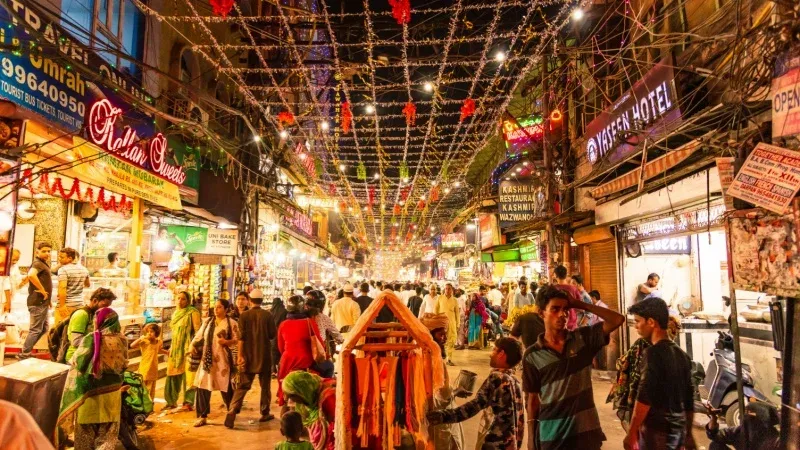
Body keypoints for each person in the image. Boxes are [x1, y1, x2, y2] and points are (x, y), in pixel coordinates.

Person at [523, 286, 625, 450]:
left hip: (585, 433)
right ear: (541, 313)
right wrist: (530, 438)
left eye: (566, 309)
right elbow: (532, 399)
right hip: (551, 435)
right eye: (555, 309)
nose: (562, 314)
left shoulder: (583, 339)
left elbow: (617, 320)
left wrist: (580, 303)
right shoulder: (532, 355)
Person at [427, 337, 525, 450]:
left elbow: (473, 407)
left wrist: (441, 416)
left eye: (494, 350)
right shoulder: (515, 382)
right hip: (511, 444)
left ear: (501, 353)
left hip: (496, 444)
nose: (490, 354)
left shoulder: (497, 378)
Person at [624, 297, 695, 450]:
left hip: (656, 435)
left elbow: (645, 396)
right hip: (678, 432)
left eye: (637, 321)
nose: (636, 326)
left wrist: (632, 431)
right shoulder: (682, 356)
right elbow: (689, 399)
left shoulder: (652, 354)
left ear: (651, 322)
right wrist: (688, 434)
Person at [58, 307, 128, 450]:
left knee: (85, 435)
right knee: (108, 435)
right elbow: (124, 365)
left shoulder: (91, 338)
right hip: (112, 396)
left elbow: (78, 362)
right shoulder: (122, 339)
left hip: (90, 396)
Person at [227, 289, 277, 427]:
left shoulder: (244, 316)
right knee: (265, 387)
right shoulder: (268, 315)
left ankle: (233, 409)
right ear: (262, 300)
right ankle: (264, 413)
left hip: (248, 356)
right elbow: (272, 335)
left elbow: (241, 339)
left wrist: (240, 356)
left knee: (242, 385)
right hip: (264, 356)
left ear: (250, 300)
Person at [420, 313, 464, 449]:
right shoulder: (431, 358)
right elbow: (442, 396)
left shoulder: (422, 353)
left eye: (445, 334)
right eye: (441, 335)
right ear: (430, 335)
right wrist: (455, 392)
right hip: (438, 415)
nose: (444, 339)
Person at [193, 299, 239, 427]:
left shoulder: (232, 323)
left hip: (224, 361)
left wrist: (227, 342)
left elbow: (237, 340)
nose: (216, 309)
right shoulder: (208, 322)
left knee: (227, 388)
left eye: (219, 307)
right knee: (203, 386)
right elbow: (199, 336)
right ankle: (202, 416)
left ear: (226, 309)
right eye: (215, 307)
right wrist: (192, 346)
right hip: (207, 360)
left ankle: (231, 413)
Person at [277, 295, 325, 407]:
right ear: (303, 307)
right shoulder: (309, 322)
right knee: (324, 375)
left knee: (282, 383)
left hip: (287, 361)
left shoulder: (283, 324)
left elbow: (280, 347)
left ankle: (283, 399)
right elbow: (320, 344)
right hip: (306, 360)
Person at [164, 291, 202, 411]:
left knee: (189, 376)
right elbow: (175, 333)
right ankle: (171, 401)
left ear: (188, 300)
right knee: (172, 374)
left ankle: (188, 402)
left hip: (188, 348)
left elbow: (198, 331)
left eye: (183, 299)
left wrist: (195, 346)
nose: (180, 301)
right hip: (175, 348)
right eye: (178, 298)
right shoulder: (176, 313)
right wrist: (171, 347)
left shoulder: (193, 312)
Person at [282, 371, 336, 450]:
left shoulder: (328, 399)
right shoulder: (313, 393)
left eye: (291, 396)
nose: (289, 400)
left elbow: (334, 431)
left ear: (301, 391)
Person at [18, 242, 53, 360]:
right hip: (37, 302)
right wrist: (42, 291)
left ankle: (26, 351)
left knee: (44, 328)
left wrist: (48, 299)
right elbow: (31, 275)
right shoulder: (38, 263)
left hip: (43, 302)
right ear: (37, 251)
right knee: (36, 329)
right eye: (44, 251)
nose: (47, 253)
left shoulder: (42, 264)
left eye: (49, 251)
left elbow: (30, 277)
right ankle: (24, 354)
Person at [705, 401, 780, 450]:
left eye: (749, 414)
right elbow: (714, 435)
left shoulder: (776, 441)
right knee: (715, 446)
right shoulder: (739, 431)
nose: (740, 417)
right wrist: (713, 418)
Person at [130, 323, 166, 399]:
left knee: (152, 387)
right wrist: (140, 338)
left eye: (152, 332)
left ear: (156, 333)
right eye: (148, 332)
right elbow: (132, 345)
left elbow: (158, 350)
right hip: (145, 367)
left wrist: (167, 352)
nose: (149, 333)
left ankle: (150, 403)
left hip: (153, 367)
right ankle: (143, 403)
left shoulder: (159, 341)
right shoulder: (144, 341)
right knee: (144, 386)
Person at [55, 247, 90, 325]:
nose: (59, 259)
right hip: (80, 305)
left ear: (70, 258)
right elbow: (87, 284)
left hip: (67, 306)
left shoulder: (63, 270)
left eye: (62, 257)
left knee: (59, 331)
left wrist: (62, 305)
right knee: (74, 330)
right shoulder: (84, 269)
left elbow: (62, 287)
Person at [435, 283, 460, 366]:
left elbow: (457, 313)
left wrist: (458, 324)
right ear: (444, 289)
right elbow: (436, 310)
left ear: (452, 290)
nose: (447, 290)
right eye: (446, 288)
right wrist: (436, 321)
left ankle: (449, 359)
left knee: (451, 340)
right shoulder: (440, 298)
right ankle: (441, 357)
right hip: (441, 323)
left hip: (452, 323)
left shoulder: (455, 300)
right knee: (441, 341)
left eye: (449, 288)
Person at [552, 265, 583, 331]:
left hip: (557, 322)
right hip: (572, 322)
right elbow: (580, 307)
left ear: (555, 275)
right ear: (566, 275)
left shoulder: (553, 289)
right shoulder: (573, 289)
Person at [1, 248, 24, 313]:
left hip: (11, 296)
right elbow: (6, 285)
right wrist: (8, 302)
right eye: (14, 260)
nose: (15, 262)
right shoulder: (3, 267)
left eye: (17, 260)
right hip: (3, 297)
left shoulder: (15, 266)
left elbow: (18, 280)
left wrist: (25, 280)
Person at [271, 296, 288, 376]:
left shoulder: (271, 311)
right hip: (282, 334)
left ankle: (273, 370)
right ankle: (280, 369)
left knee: (273, 353)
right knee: (281, 352)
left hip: (273, 335)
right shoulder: (284, 311)